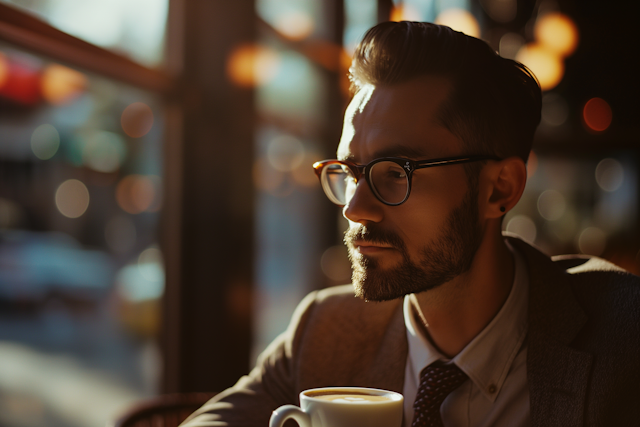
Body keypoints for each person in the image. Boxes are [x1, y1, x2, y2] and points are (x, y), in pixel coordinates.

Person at [181, 21, 640, 427]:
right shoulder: (326, 330)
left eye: (396, 172)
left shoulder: (623, 336)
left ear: (499, 189)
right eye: (350, 172)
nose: (355, 208)